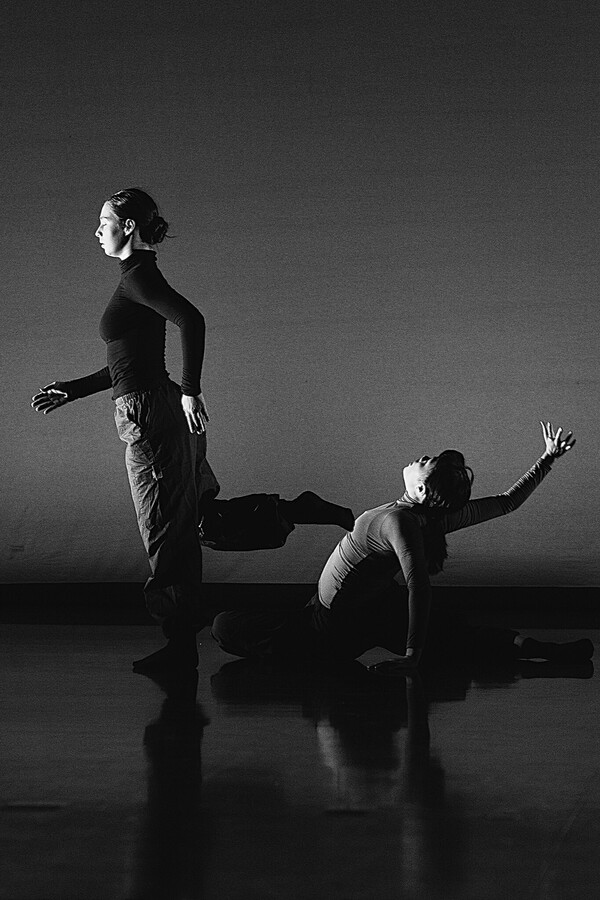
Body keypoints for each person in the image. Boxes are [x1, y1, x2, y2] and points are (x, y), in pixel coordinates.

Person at [211, 422, 594, 671]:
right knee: (456, 637)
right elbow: (508, 501)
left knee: (223, 625)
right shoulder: (431, 517)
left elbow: (419, 586)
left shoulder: (400, 523)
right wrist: (547, 458)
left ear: (423, 489)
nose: (421, 457)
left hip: (333, 626)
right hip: (370, 605)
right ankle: (548, 652)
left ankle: (546, 654)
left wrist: (411, 657)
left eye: (427, 463)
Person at [31, 188, 220, 672]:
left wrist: (191, 391)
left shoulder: (138, 278)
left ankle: (180, 649)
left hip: (150, 415)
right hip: (152, 404)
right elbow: (125, 366)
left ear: (129, 226)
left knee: (164, 527)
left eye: (104, 222)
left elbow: (191, 319)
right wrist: (71, 390)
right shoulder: (137, 279)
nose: (97, 232)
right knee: (185, 519)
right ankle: (294, 513)